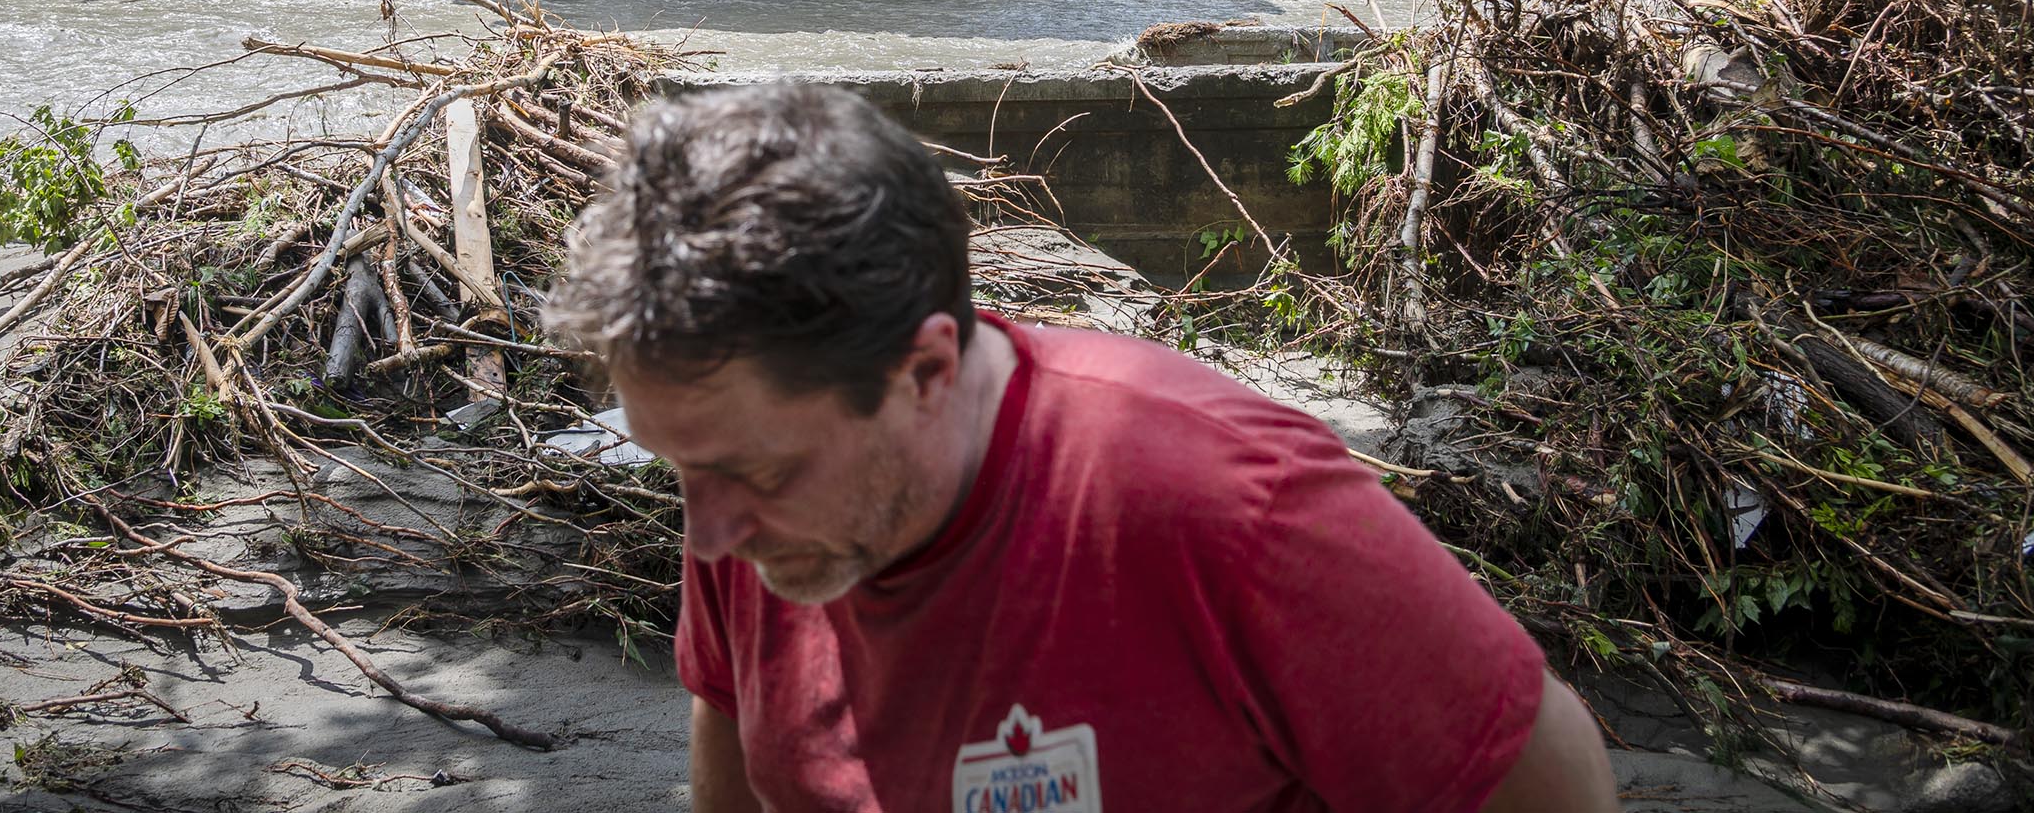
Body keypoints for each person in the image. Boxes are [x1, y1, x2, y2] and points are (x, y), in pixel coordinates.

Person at [548, 83, 1621, 813]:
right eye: (677, 469)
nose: (708, 534)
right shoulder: (744, 500)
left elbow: (1554, 780)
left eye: (761, 473)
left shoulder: (1227, 509)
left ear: (923, 371)